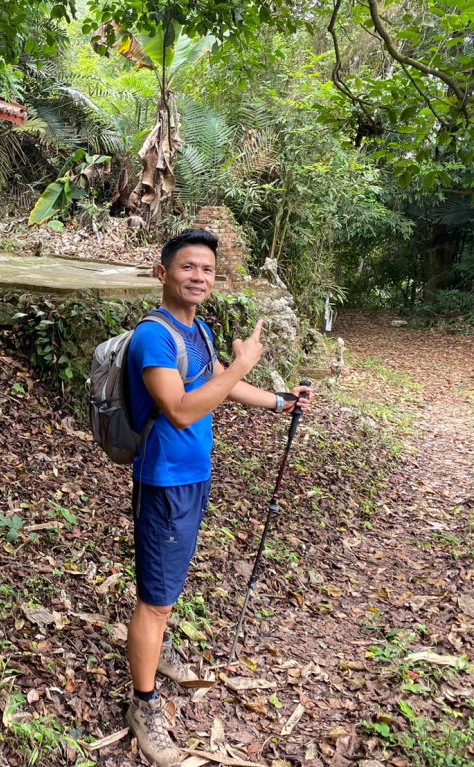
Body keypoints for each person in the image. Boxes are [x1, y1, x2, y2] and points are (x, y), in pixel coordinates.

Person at [124, 229, 311, 766]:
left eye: (207, 270)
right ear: (163, 273)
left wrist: (279, 401)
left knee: (168, 583)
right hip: (164, 481)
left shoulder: (198, 330)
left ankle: (155, 654)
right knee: (156, 598)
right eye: (188, 267)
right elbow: (182, 408)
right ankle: (143, 704)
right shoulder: (153, 339)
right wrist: (244, 363)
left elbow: (220, 389)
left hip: (194, 475)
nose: (199, 277)